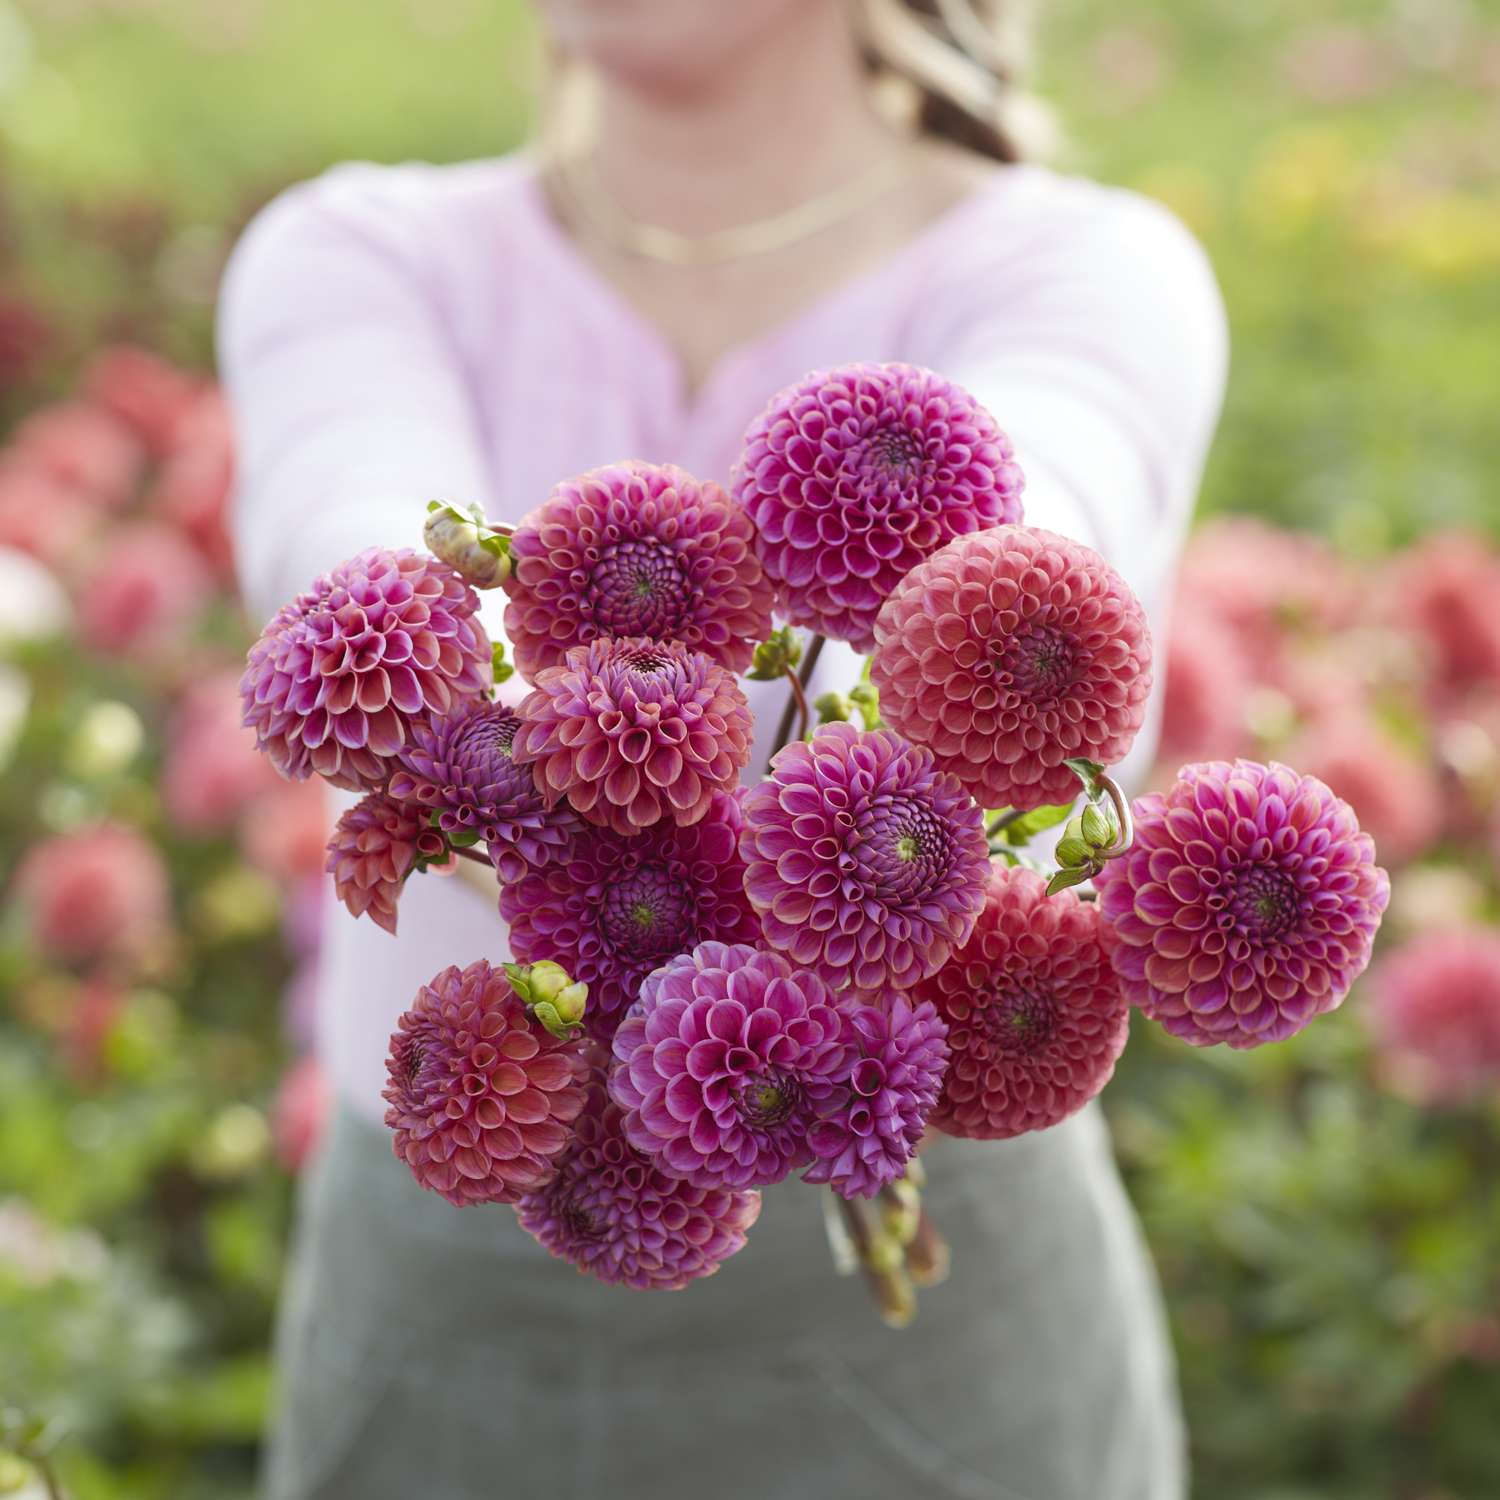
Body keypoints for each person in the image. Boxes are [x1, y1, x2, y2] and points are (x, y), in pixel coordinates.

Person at [222, 2, 1227, 1495]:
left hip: (942, 1330)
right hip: (458, 1278)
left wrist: (529, 767)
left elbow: (1020, 573)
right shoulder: (361, 254)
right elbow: (355, 567)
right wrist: (542, 735)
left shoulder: (1080, 266)